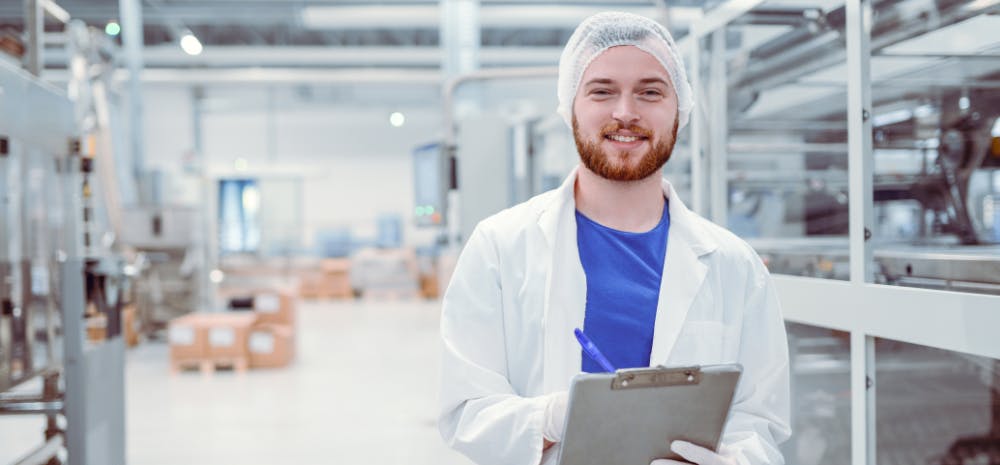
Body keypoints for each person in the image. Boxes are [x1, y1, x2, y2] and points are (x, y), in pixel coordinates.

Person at [438, 11, 790, 465]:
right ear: (570, 107)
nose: (626, 112)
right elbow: (465, 410)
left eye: (650, 92)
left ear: (679, 109)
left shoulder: (734, 265)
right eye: (602, 91)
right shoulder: (500, 247)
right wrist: (549, 417)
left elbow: (761, 422)